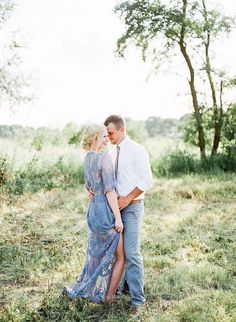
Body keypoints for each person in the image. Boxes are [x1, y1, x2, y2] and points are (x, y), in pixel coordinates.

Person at [63, 124, 125, 303]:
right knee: (121, 256)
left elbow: (87, 186)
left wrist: (90, 191)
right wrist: (118, 218)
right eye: (104, 136)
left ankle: (88, 290)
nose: (107, 139)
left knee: (96, 254)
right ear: (96, 138)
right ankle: (109, 297)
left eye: (108, 136)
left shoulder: (88, 157)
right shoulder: (104, 157)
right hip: (104, 211)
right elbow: (109, 191)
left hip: (92, 210)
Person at [103, 115, 153, 308]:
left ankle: (138, 302)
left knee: (132, 253)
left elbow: (147, 180)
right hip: (114, 210)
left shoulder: (137, 150)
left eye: (111, 133)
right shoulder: (111, 152)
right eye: (106, 134)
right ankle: (123, 288)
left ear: (121, 129)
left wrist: (127, 198)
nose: (108, 137)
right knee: (118, 254)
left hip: (132, 208)